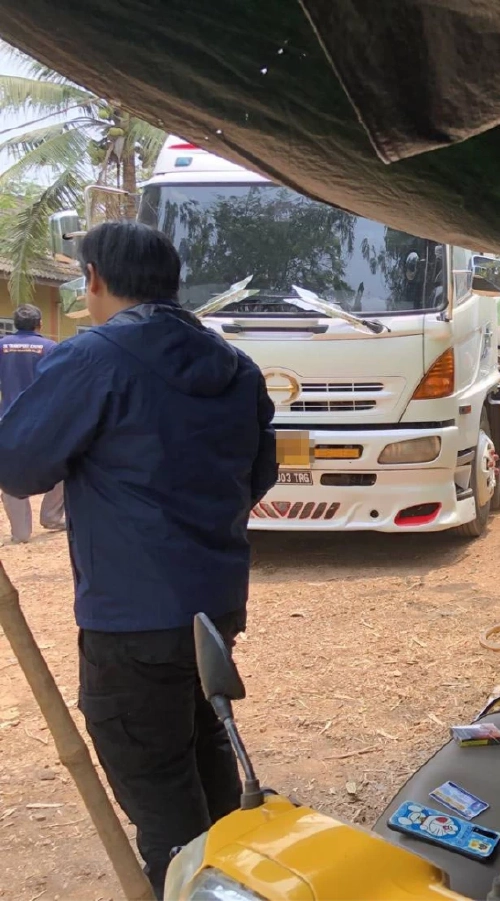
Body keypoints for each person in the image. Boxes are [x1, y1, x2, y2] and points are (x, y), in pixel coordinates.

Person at [0, 222, 277, 897]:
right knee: (206, 753)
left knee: (160, 793)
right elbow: (259, 474)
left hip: (132, 620)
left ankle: (192, 884)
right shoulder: (235, 365)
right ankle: (230, 878)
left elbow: (18, 464)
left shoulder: (95, 357)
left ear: (93, 278)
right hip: (214, 610)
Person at [0, 304, 65, 543]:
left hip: (8, 419)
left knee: (10, 471)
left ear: (15, 324)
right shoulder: (50, 347)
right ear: (39, 324)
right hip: (43, 419)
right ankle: (51, 516)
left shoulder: (2, 346)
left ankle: (20, 532)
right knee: (64, 465)